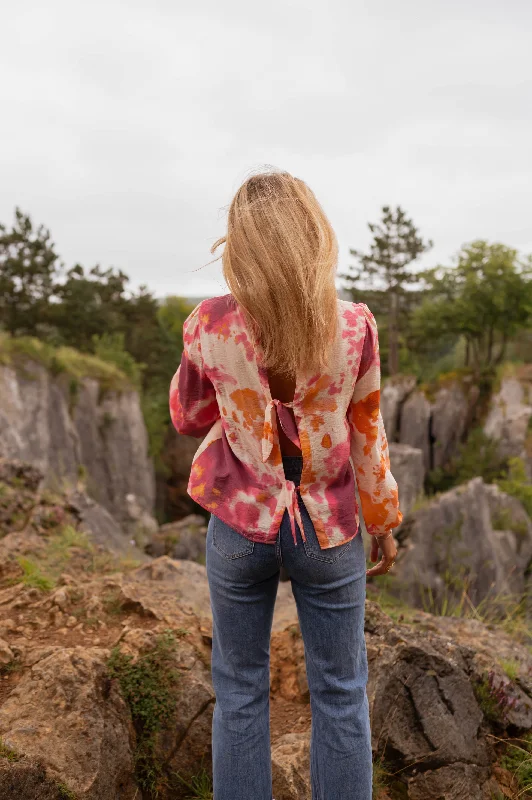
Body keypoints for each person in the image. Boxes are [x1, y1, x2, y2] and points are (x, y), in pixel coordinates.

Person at [169, 169, 402, 800]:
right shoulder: (353, 326)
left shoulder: (209, 324)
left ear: (240, 245)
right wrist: (382, 522)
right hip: (328, 528)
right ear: (313, 238)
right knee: (340, 692)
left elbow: (188, 417)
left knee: (240, 691)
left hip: (242, 524)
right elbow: (366, 431)